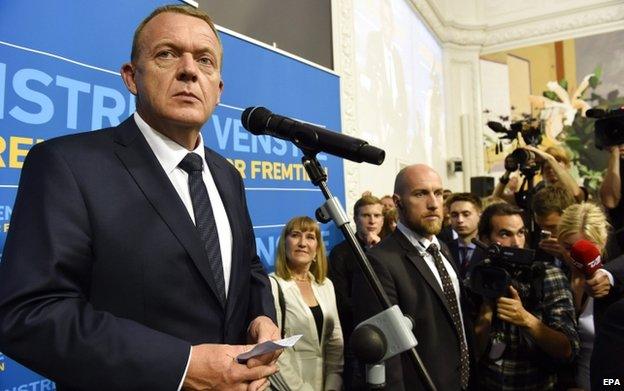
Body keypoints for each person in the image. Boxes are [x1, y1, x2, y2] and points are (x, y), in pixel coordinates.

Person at [0, 5, 279, 390]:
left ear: (218, 89)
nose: (188, 69)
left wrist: (259, 318)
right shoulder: (67, 165)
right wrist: (183, 367)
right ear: (131, 77)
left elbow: (249, 269)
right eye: (166, 54)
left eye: (205, 60)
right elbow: (31, 313)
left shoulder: (228, 176)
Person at [353, 164, 475, 390]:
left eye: (438, 193)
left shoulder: (444, 249)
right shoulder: (379, 261)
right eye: (421, 194)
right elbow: (386, 355)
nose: (433, 203)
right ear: (398, 203)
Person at [473, 203, 579, 390]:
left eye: (520, 233)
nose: (516, 243)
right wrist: (486, 313)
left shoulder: (548, 275)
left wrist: (526, 320)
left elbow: (567, 349)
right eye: (505, 234)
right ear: (484, 239)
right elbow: (471, 352)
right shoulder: (476, 276)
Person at [269, 216, 343, 390]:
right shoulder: (272, 285)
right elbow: (273, 351)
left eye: (310, 237)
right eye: (295, 235)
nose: (302, 243)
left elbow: (335, 341)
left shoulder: (325, 285)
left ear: (317, 247)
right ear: (284, 244)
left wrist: (333, 385)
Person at [328, 194, 383, 389]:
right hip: (355, 335)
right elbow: (341, 300)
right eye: (365, 215)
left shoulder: (390, 250)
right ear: (355, 218)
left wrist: (377, 252)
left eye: (377, 215)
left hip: (388, 333)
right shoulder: (340, 253)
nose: (372, 220)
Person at [557, 202, 611, 390]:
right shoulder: (553, 276)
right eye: (569, 247)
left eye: (586, 247)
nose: (576, 256)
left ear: (602, 242)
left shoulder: (615, 282)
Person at [493, 145, 586, 206]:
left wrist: (549, 159)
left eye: (557, 160)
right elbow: (497, 196)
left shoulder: (575, 190)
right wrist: (508, 170)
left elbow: (575, 194)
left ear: (567, 166)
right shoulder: (538, 192)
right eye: (546, 163)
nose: (550, 167)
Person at [532, 185, 576, 267]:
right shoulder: (536, 241)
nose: (546, 233)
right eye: (540, 226)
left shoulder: (590, 243)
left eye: (552, 227)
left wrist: (567, 257)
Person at [446, 192, 484, 279]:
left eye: (466, 214)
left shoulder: (489, 251)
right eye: (454, 215)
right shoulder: (444, 249)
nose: (460, 220)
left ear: (480, 215)